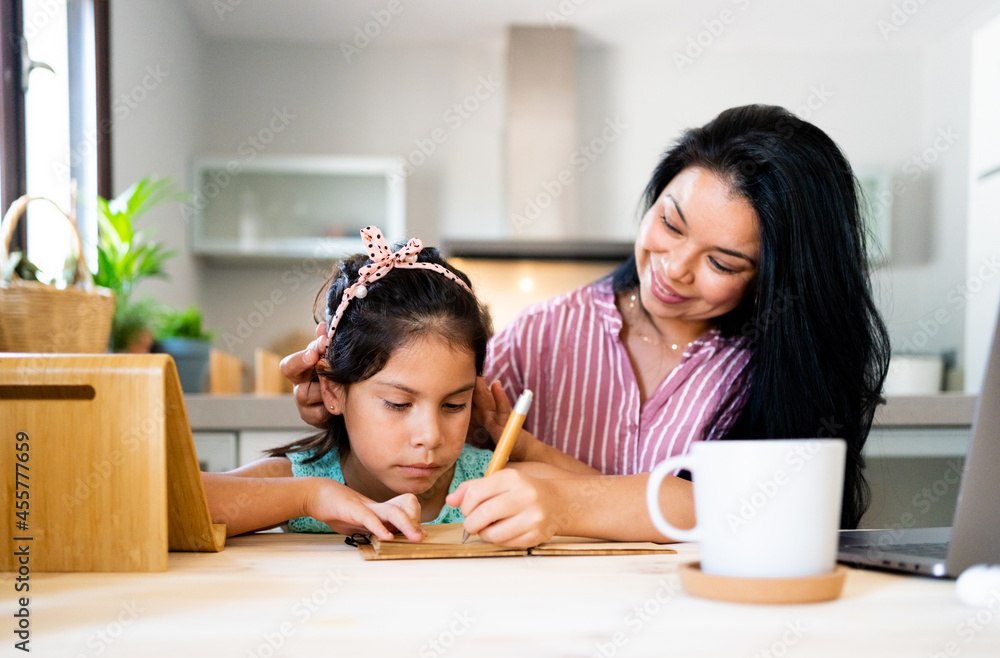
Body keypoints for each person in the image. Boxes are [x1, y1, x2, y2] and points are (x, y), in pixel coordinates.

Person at [284, 105, 890, 545]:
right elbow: (425, 415)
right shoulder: (542, 336)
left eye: (722, 262)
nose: (674, 270)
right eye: (671, 225)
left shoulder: (782, 369)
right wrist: (348, 401)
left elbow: (772, 513)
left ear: (779, 276)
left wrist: (565, 497)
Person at [203, 227, 592, 540]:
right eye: (398, 404)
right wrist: (310, 498)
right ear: (333, 390)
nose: (430, 437)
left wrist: (525, 448)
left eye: (454, 405)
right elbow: (165, 502)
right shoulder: (303, 481)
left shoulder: (491, 482)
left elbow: (622, 500)